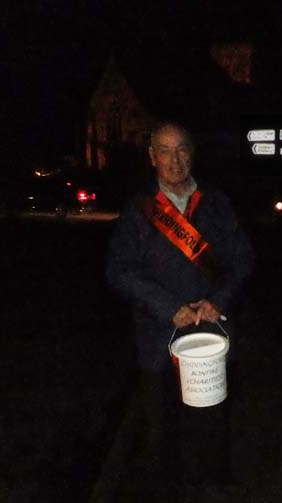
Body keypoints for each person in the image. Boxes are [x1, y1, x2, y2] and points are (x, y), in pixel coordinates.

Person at [103, 122, 254, 501]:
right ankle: (171, 490)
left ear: (192, 153)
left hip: (211, 333)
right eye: (165, 151)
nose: (175, 159)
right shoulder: (140, 211)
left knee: (213, 416)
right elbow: (118, 270)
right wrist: (168, 308)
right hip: (158, 336)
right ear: (152, 157)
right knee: (161, 426)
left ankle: (216, 481)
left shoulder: (216, 203)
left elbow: (244, 258)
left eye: (182, 149)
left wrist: (219, 298)